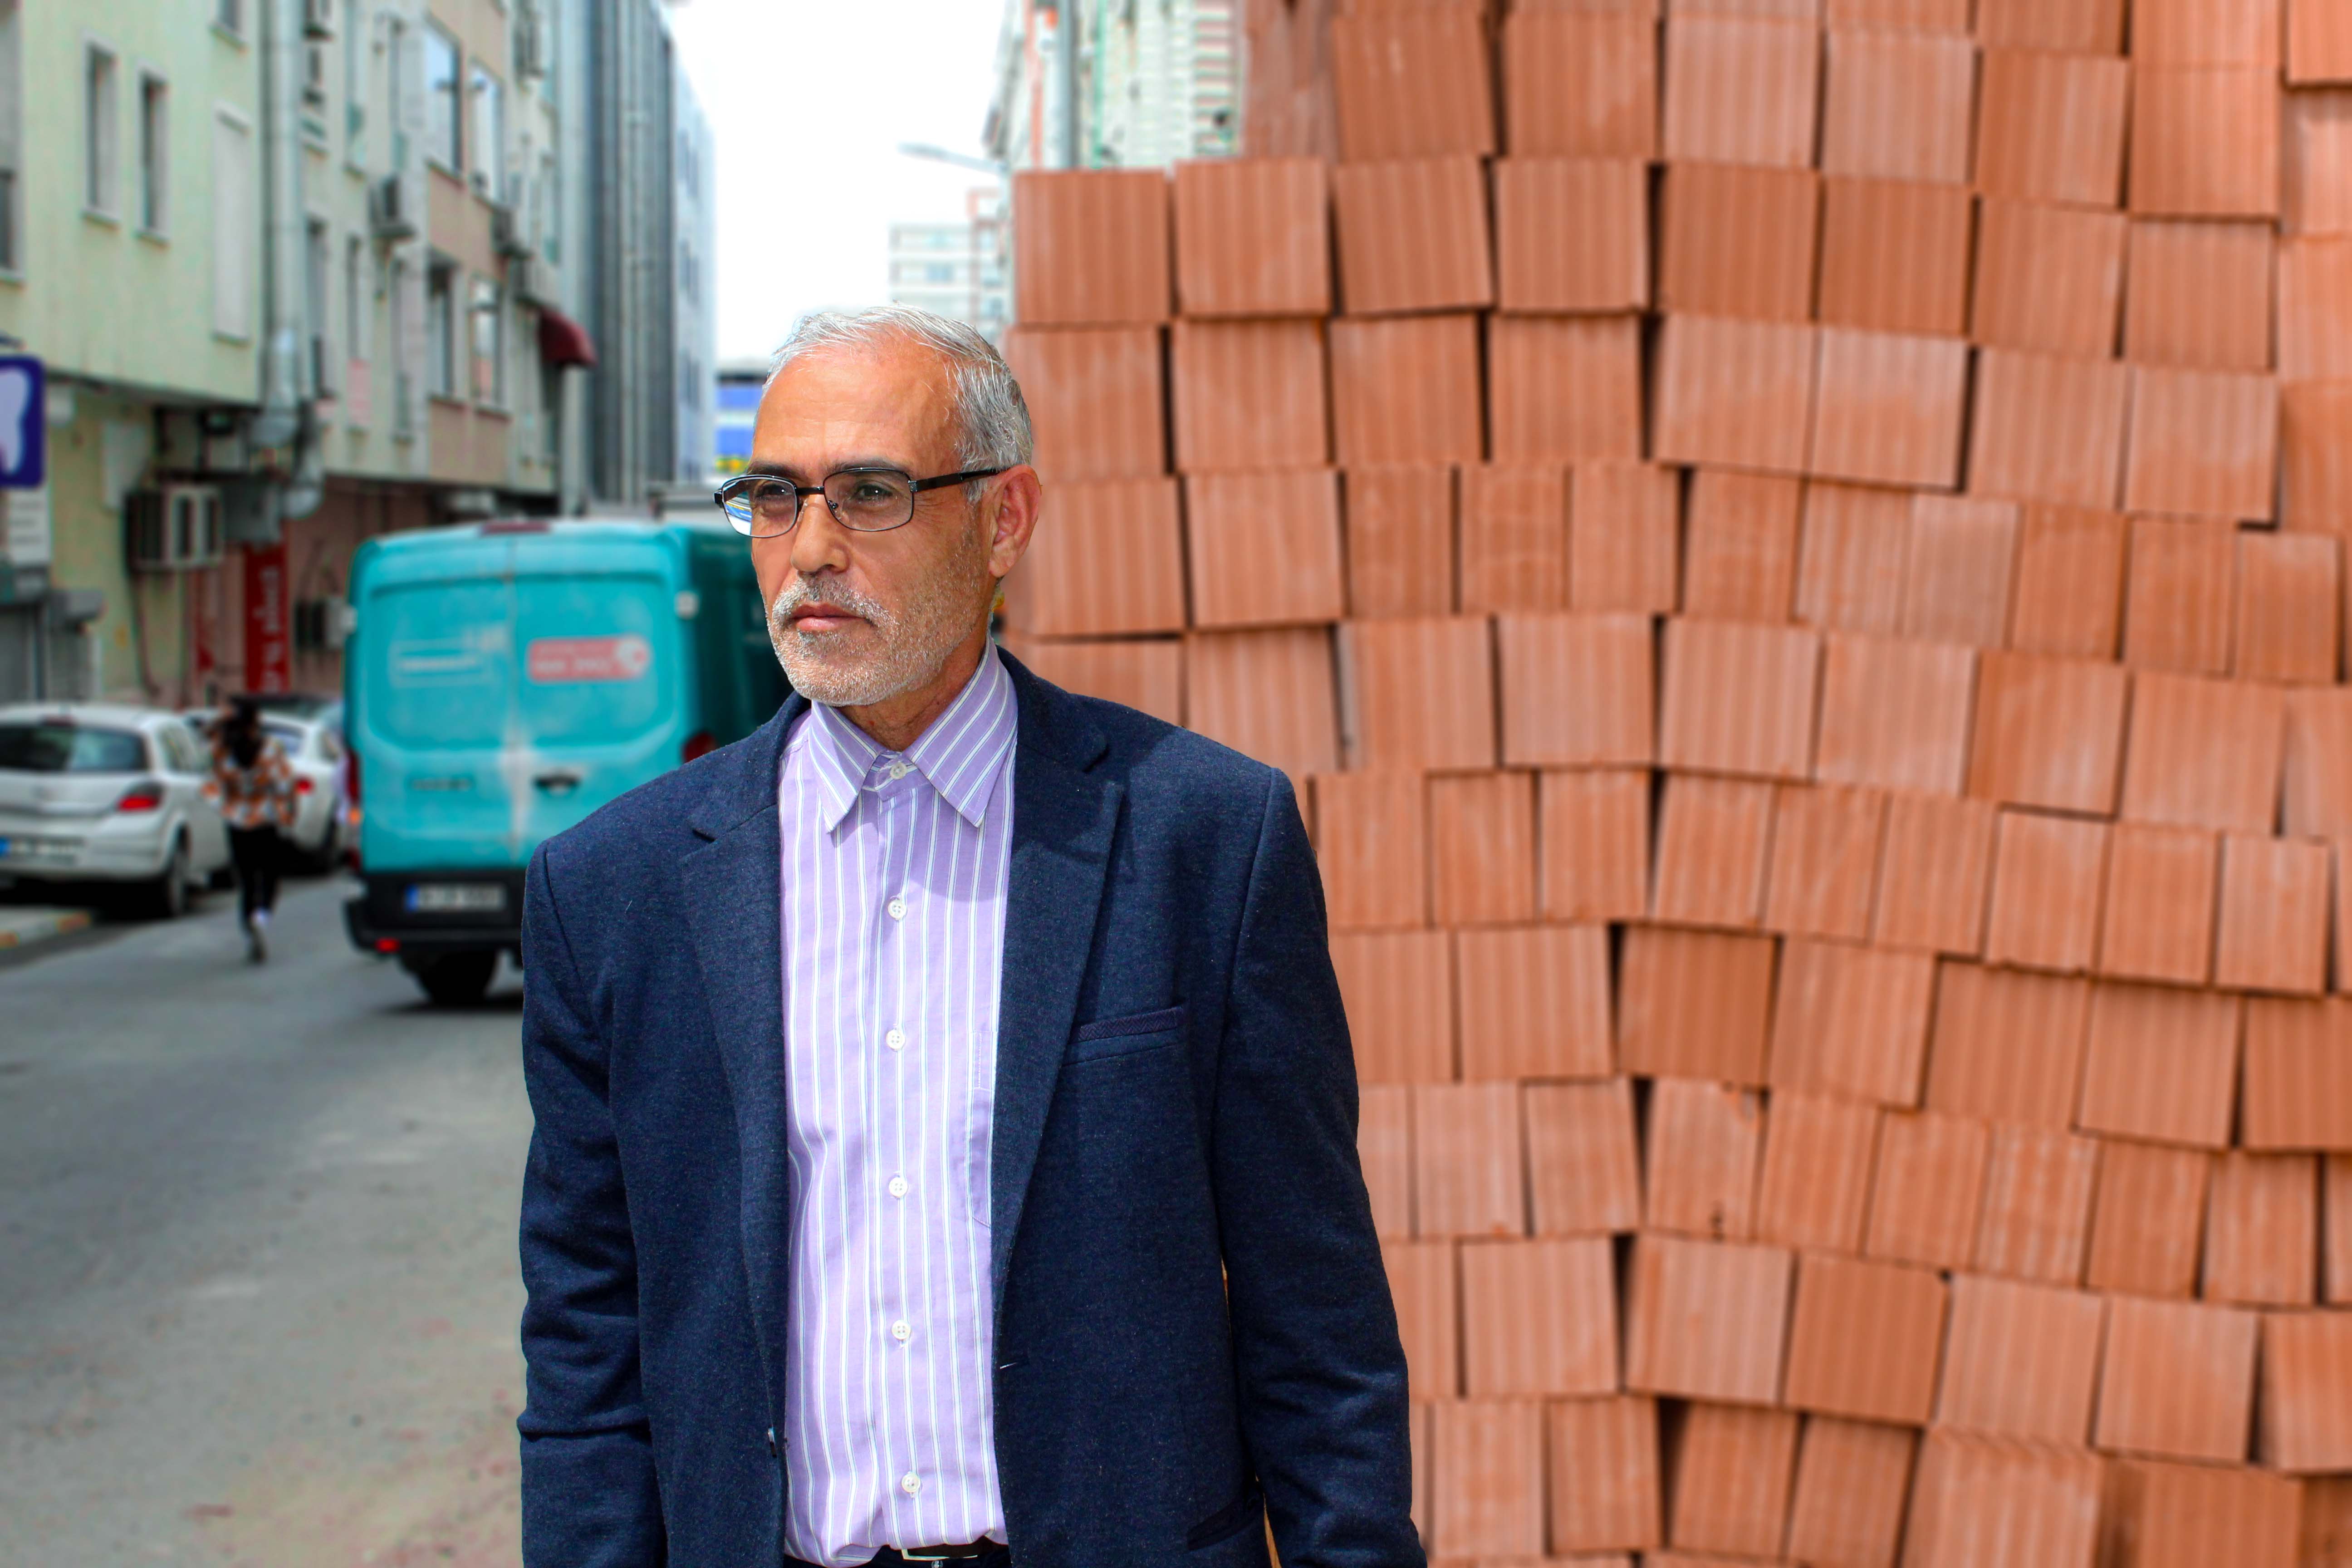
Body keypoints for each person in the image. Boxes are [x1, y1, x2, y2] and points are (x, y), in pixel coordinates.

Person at [516, 306, 1419, 1568]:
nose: (811, 550)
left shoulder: (1202, 841)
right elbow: (586, 1341)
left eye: (870, 494)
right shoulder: (611, 892)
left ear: (1005, 520)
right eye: (773, 498)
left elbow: (1313, 1310)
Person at [205, 699, 295, 963]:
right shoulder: (270, 749)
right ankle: (262, 915)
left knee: (246, 880)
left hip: (237, 823)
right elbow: (283, 782)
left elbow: (210, 787)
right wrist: (286, 813)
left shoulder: (220, 751)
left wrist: (228, 808)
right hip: (266, 821)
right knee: (269, 875)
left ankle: (248, 926)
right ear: (256, 722)